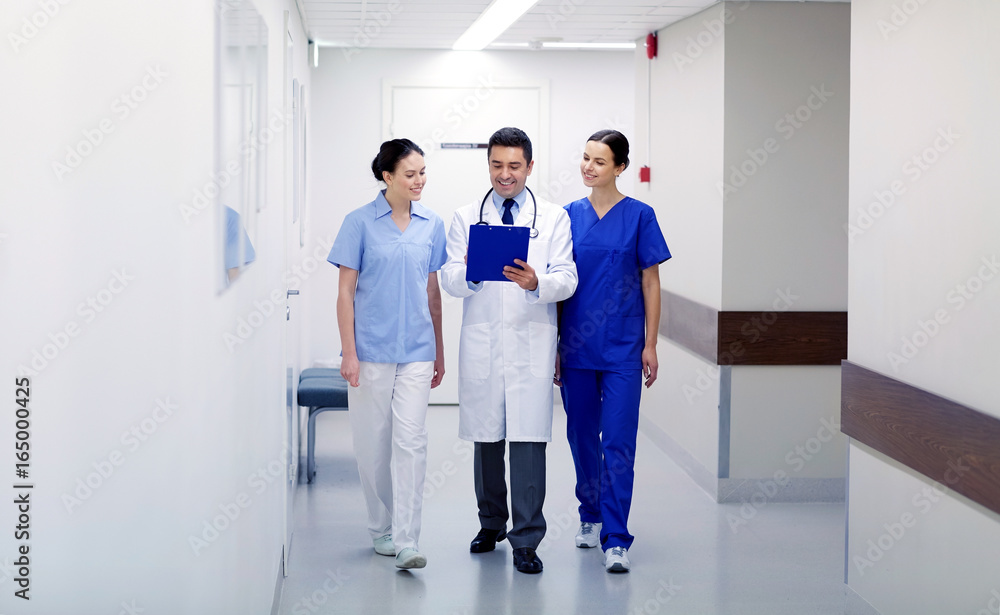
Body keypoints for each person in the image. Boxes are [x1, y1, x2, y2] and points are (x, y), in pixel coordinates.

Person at [440, 127, 577, 574]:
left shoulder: (554, 218)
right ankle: (490, 523)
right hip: (483, 340)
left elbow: (568, 277)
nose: (505, 175)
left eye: (514, 166)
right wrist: (474, 275)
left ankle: (526, 539)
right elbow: (449, 276)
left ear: (530, 167)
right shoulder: (465, 217)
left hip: (531, 338)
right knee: (486, 440)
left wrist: (538, 282)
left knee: (527, 442)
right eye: (497, 165)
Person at [328, 138, 447, 570]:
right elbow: (344, 293)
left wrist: (439, 350)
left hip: (417, 348)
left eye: (422, 172)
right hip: (371, 349)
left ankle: (407, 539)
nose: (420, 181)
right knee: (372, 443)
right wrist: (349, 352)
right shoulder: (359, 223)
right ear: (387, 177)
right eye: (410, 174)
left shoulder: (432, 225)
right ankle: (380, 526)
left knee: (411, 441)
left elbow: (432, 291)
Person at [557, 129, 671, 573]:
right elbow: (557, 284)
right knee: (581, 438)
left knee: (618, 443)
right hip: (577, 347)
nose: (588, 167)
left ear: (620, 167)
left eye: (599, 161)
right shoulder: (567, 216)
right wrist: (555, 346)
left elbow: (651, 281)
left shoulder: (641, 216)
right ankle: (590, 513)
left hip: (624, 349)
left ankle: (616, 537)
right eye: (585, 158)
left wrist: (651, 343)